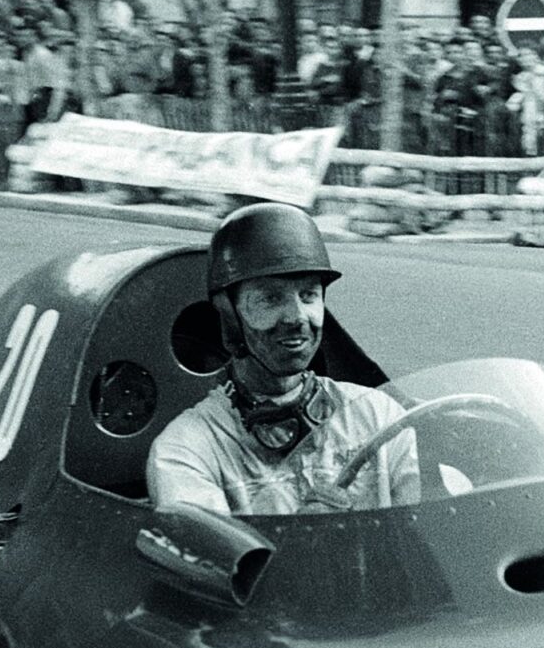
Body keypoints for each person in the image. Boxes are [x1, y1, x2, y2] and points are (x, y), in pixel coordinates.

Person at [147, 204, 419, 515]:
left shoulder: (379, 417)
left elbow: (425, 536)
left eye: (308, 295)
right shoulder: (188, 450)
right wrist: (301, 537)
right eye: (270, 298)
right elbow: (210, 558)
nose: (297, 317)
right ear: (228, 315)